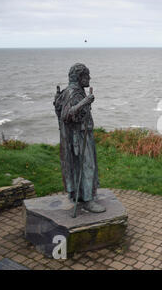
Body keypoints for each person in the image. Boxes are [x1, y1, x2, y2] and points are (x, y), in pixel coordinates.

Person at [54, 63, 105, 213]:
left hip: (81, 134)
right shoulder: (74, 93)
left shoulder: (70, 92)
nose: (89, 78)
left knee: (80, 167)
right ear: (79, 77)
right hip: (79, 137)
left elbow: (59, 108)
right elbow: (66, 115)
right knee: (87, 166)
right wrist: (85, 101)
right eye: (87, 76)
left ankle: (80, 194)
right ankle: (88, 200)